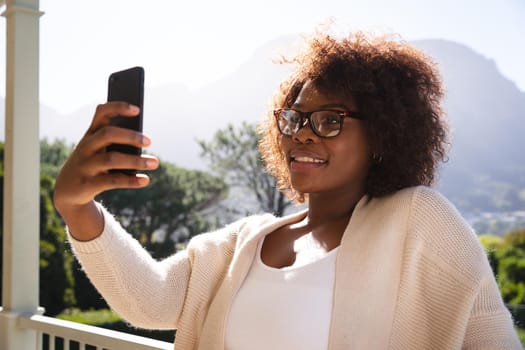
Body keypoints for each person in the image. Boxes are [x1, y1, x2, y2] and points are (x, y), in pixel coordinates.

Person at [54, 30, 521, 350]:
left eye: (330, 120)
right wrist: (77, 207)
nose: (302, 133)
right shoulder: (239, 243)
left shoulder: (420, 221)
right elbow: (149, 301)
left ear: (383, 135)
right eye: (295, 118)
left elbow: (491, 339)